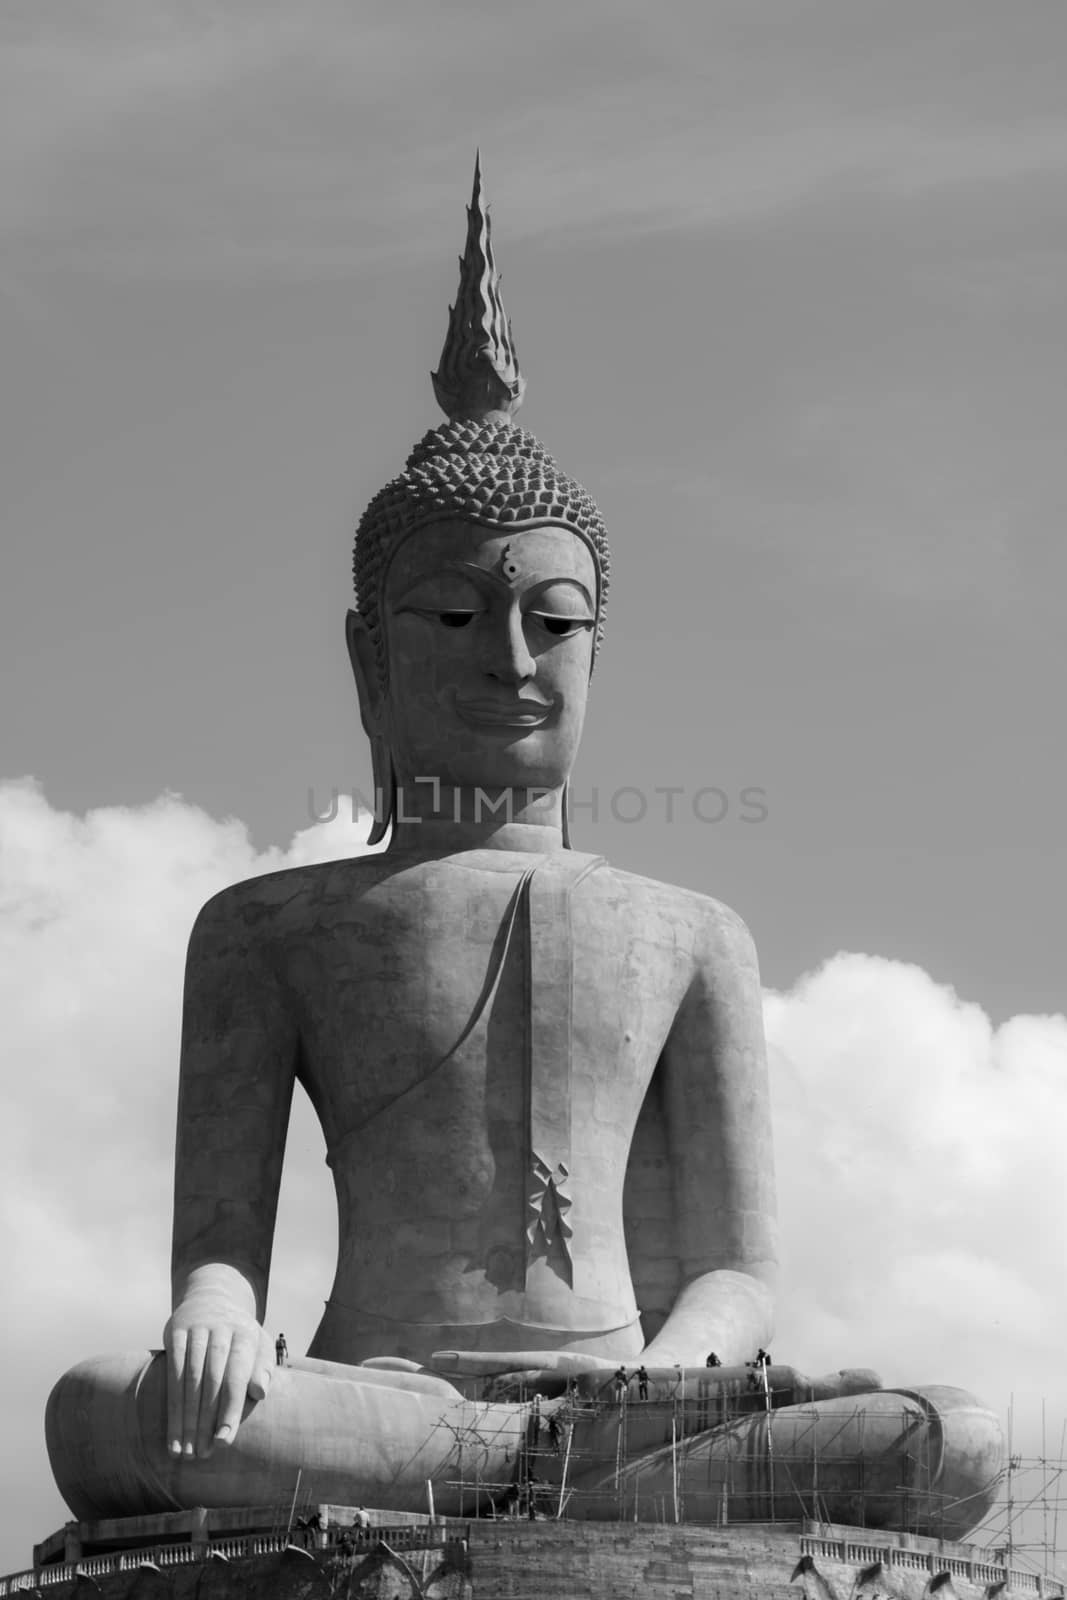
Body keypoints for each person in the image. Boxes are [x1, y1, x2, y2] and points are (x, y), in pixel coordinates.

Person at [44, 158, 1003, 1543]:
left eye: (553, 623)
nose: (509, 660)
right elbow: (219, 1253)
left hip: (629, 1410)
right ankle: (530, 1474)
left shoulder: (691, 933)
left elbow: (735, 1271)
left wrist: (672, 1377)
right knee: (101, 1406)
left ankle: (566, 1467)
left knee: (950, 1441)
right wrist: (213, 1314)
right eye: (450, 622)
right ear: (370, 658)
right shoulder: (269, 929)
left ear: (601, 653)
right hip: (383, 1407)